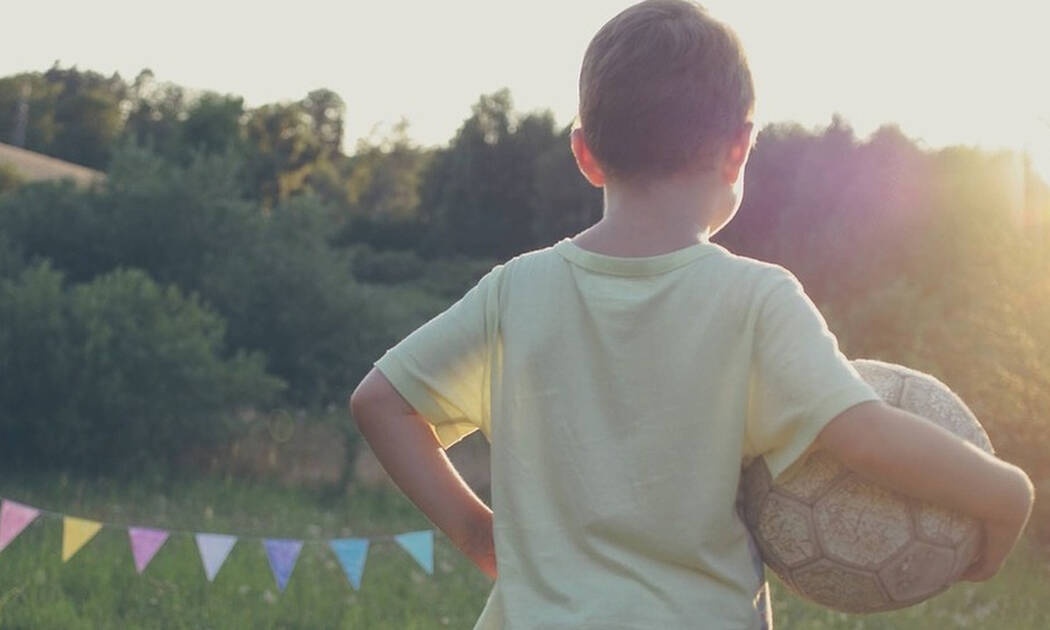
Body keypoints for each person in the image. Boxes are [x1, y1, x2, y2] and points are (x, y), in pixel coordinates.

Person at [349, 1, 1035, 628]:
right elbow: (861, 434)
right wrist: (1007, 493)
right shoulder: (755, 299)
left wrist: (475, 531)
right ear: (740, 146)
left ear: (585, 152)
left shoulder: (515, 292)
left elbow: (381, 402)